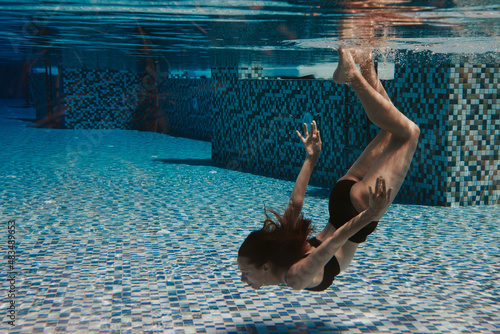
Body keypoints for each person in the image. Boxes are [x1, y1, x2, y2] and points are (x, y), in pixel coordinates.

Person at [237, 48, 420, 291]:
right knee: (389, 128)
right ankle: (363, 61)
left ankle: (353, 78)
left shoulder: (295, 277)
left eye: (245, 272)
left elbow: (335, 242)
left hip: (357, 212)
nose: (243, 279)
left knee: (408, 133)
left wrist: (371, 215)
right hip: (339, 199)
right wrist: (310, 159)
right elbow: (295, 204)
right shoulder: (283, 249)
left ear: (265, 266)